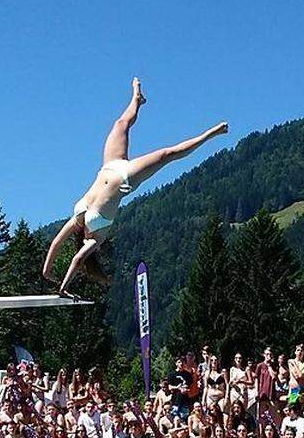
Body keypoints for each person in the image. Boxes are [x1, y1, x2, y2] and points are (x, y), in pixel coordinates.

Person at [42, 77, 228, 295]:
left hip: (109, 166)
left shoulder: (77, 222)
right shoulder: (95, 239)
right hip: (125, 179)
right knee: (167, 154)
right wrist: (63, 288)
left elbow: (56, 242)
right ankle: (212, 134)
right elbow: (79, 258)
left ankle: (136, 99)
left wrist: (47, 271)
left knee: (120, 124)